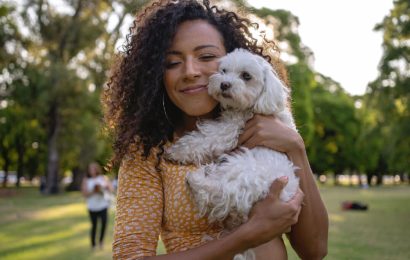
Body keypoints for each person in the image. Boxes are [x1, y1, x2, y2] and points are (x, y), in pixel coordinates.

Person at [104, 0, 329, 259]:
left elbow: (315, 251)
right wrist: (247, 235)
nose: (190, 71)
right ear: (155, 74)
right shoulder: (149, 152)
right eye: (172, 62)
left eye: (207, 56)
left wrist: (295, 147)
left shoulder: (270, 129)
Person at [81, 162, 114, 250]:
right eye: (90, 169)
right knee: (94, 225)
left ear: (97, 169)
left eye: (94, 169)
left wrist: (104, 188)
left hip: (103, 205)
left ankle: (101, 242)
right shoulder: (86, 180)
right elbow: (84, 194)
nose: (92, 171)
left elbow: (111, 189)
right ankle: (93, 244)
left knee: (104, 224)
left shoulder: (102, 178)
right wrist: (93, 191)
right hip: (92, 206)